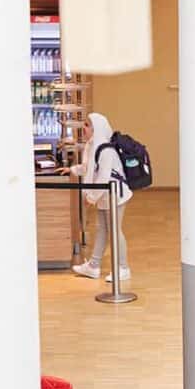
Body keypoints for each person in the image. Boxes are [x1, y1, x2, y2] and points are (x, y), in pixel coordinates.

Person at [67, 113, 134, 282]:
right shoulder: (92, 146)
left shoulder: (106, 149)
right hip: (104, 195)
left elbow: (103, 177)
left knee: (114, 230)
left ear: (97, 128)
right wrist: (72, 170)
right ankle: (93, 266)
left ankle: (123, 268)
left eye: (88, 125)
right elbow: (88, 168)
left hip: (115, 195)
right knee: (103, 229)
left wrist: (90, 198)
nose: (84, 128)